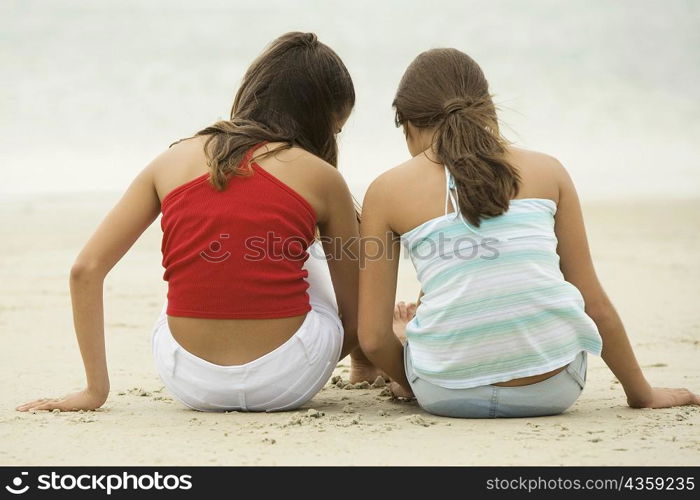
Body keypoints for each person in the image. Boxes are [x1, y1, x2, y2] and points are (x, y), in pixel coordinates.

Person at [17, 32, 370, 413]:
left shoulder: (169, 162)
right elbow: (354, 318)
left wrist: (94, 391)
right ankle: (365, 364)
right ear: (319, 118)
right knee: (309, 250)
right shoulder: (321, 177)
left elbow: (85, 269)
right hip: (289, 379)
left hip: (189, 379)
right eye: (335, 130)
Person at [358, 48, 700, 418]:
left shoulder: (386, 191)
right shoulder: (548, 171)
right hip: (552, 389)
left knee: (423, 313)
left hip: (446, 395)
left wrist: (413, 382)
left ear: (406, 123)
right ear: (486, 109)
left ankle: (420, 340)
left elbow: (374, 339)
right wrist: (641, 393)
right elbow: (594, 304)